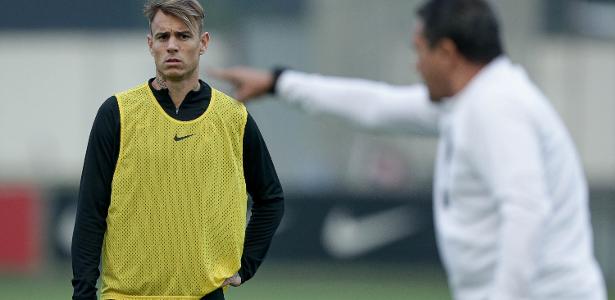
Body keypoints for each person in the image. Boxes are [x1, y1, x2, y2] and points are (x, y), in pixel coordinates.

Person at [211, 0, 607, 299]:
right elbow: (376, 105)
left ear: (448, 53)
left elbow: (526, 211)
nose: (416, 65)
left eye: (420, 50)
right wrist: (281, 83)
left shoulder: (496, 109)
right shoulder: (472, 102)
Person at [71, 1, 284, 299]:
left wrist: (246, 265)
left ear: (203, 43)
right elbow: (91, 211)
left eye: (183, 36)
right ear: (150, 44)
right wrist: (82, 293)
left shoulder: (233, 117)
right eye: (163, 37)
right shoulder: (117, 113)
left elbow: (271, 198)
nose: (172, 46)